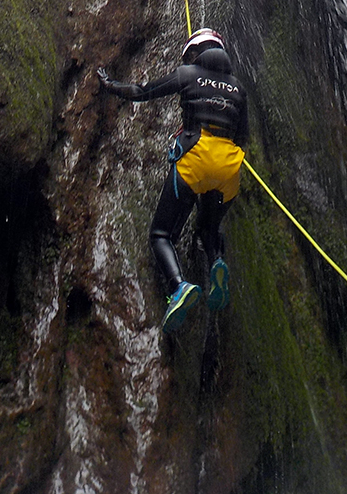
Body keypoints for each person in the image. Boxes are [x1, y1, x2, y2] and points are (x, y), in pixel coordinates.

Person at [97, 28, 248, 333]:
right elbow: (244, 138)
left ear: (196, 53)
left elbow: (142, 91)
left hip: (196, 159)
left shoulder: (187, 74)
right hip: (230, 169)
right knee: (208, 227)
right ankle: (216, 261)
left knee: (161, 234)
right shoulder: (239, 89)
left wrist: (110, 85)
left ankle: (178, 286)